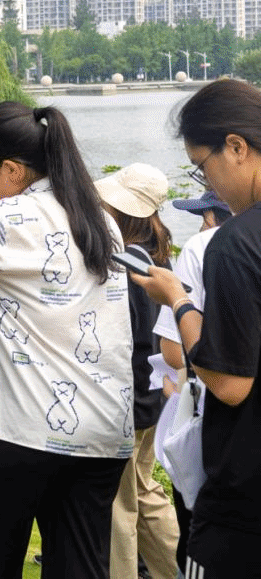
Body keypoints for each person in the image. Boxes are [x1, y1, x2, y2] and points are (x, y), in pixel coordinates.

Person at [0, 103, 135, 579]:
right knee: (80, 568)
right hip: (100, 433)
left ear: (11, 169)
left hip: (12, 432)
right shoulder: (100, 219)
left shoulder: (8, 219)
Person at [130, 79, 261, 578]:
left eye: (201, 166)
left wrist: (179, 300)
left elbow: (230, 384)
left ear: (236, 147)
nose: (208, 183)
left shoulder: (235, 245)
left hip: (244, 505)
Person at [95, 164, 180, 579]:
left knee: (119, 508)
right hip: (150, 398)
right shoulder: (155, 255)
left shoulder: (125, 264)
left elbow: (123, 342)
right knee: (144, 495)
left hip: (126, 403)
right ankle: (179, 570)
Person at [150, 189, 230, 575]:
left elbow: (172, 349)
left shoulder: (200, 247)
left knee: (200, 535)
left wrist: (175, 300)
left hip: (213, 418)